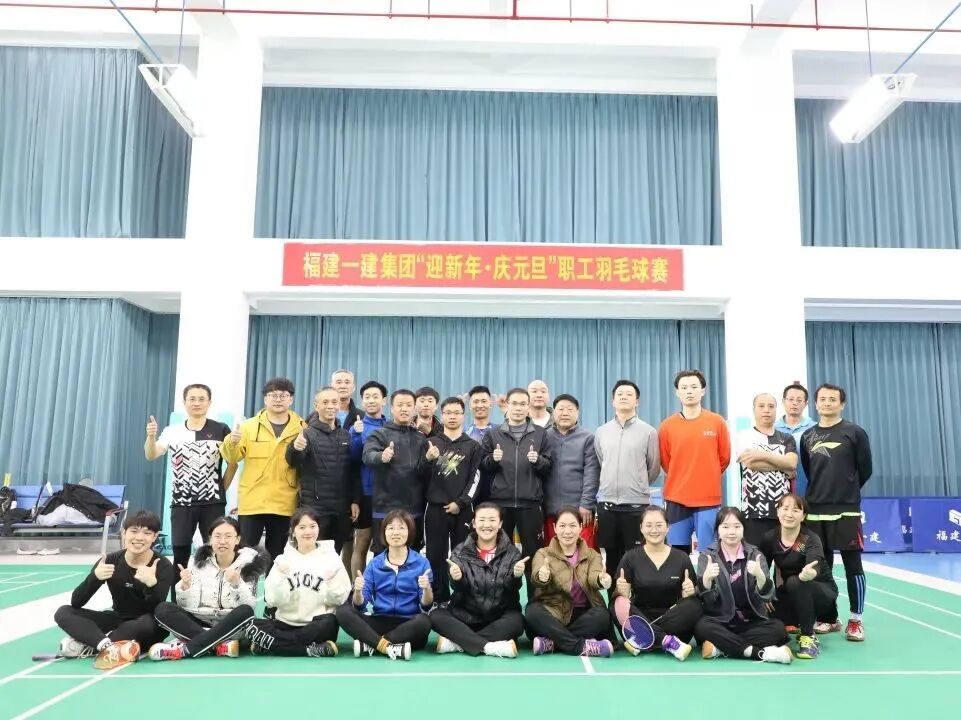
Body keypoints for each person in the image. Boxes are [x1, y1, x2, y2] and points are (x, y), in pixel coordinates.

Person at [54, 510, 173, 669]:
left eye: (147, 533)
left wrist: (151, 585)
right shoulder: (110, 561)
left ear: (154, 537)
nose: (139, 537)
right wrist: (94, 578)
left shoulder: (162, 565)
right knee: (63, 612)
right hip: (116, 619)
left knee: (143, 625)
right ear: (124, 533)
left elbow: (158, 608)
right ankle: (107, 646)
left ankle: (90, 643)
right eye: (134, 531)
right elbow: (76, 601)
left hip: (148, 624)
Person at [800, 383, 872, 642]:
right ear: (816, 404)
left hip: (846, 511)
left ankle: (856, 619)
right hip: (816, 510)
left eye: (833, 399)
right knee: (822, 567)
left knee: (854, 566)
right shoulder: (807, 436)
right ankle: (829, 618)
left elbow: (865, 469)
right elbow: (809, 470)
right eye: (822, 399)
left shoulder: (855, 432)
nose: (827, 403)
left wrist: (846, 491)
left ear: (842, 404)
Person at [144, 383, 237, 573]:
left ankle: (214, 588)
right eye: (192, 399)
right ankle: (178, 591)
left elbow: (233, 463)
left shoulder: (221, 429)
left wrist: (221, 489)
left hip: (213, 503)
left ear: (209, 402)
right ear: (184, 402)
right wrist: (151, 437)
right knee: (180, 551)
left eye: (202, 399)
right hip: (182, 502)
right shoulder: (172, 431)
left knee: (214, 550)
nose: (197, 403)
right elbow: (151, 455)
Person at [149, 516, 269, 660]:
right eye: (217, 536)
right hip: (201, 621)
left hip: (231, 626)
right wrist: (186, 587)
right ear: (210, 539)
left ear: (237, 539)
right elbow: (186, 605)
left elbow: (250, 605)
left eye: (228, 536)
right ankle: (219, 646)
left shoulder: (250, 564)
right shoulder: (200, 562)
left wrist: (237, 584)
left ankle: (185, 650)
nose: (222, 541)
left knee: (245, 611)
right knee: (163, 609)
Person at [244, 508, 351, 657]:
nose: (308, 531)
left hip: (316, 625)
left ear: (318, 529)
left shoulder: (332, 559)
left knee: (330, 622)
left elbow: (339, 600)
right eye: (302, 527)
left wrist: (330, 584)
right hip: (285, 623)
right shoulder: (282, 560)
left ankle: (272, 645)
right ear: (293, 531)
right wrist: (280, 581)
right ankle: (308, 650)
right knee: (252, 626)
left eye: (312, 526)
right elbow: (272, 601)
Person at [693, 507, 793, 664]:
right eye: (725, 527)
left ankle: (721, 647)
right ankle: (759, 653)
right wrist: (706, 580)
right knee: (702, 627)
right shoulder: (707, 556)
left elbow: (767, 597)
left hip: (751, 622)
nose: (731, 532)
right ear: (718, 529)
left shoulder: (756, 555)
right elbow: (708, 600)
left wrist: (760, 576)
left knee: (778, 629)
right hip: (720, 622)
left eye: (737, 526)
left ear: (743, 529)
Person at [480, 388, 553, 598]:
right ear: (507, 405)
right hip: (501, 505)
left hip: (530, 504)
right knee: (501, 554)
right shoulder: (494, 434)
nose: (519, 408)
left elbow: (549, 465)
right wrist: (492, 460)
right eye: (515, 403)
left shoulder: (540, 434)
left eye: (523, 404)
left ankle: (535, 601)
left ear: (528, 407)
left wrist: (538, 461)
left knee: (533, 554)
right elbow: (483, 465)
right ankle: (504, 601)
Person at [221, 377, 304, 560]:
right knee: (245, 554)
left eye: (283, 395)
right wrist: (232, 442)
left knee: (278, 555)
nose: (278, 399)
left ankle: (271, 581)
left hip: (284, 501)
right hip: (253, 501)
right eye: (273, 395)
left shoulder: (302, 428)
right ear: (265, 399)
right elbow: (233, 457)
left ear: (291, 399)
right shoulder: (248, 427)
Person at [429, 502, 525, 658]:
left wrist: (516, 576)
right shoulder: (460, 551)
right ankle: (490, 646)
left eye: (492, 520)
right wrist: (457, 579)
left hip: (499, 617)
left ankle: (459, 643)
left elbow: (511, 590)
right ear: (474, 523)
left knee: (517, 621)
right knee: (436, 616)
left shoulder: (512, 553)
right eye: (482, 520)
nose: (486, 525)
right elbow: (459, 590)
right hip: (465, 617)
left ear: (500, 523)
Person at [335, 510, 433, 660]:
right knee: (343, 611)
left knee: (424, 622)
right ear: (384, 532)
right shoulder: (375, 564)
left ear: (409, 532)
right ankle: (389, 647)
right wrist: (358, 592)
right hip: (379, 620)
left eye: (401, 528)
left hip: (408, 623)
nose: (396, 532)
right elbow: (360, 605)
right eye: (391, 528)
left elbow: (426, 606)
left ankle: (371, 644)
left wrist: (426, 589)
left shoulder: (422, 563)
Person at [611, 506, 701, 661]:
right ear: (641, 528)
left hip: (673, 620)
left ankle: (641, 639)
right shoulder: (630, 557)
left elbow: (690, 596)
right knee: (618, 603)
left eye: (659, 525)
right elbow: (619, 596)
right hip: (639, 617)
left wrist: (689, 593)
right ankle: (667, 642)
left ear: (668, 527)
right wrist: (622, 592)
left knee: (694, 605)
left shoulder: (681, 558)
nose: (654, 530)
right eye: (649, 525)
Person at [525, 507, 614, 657]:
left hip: (583, 614)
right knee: (532, 612)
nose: (567, 531)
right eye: (562, 526)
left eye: (572, 526)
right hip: (553, 611)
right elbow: (536, 576)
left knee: (602, 615)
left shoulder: (592, 555)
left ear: (580, 527)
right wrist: (542, 576)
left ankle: (552, 643)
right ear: (555, 528)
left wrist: (601, 580)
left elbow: (594, 576)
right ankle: (582, 646)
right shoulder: (543, 553)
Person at [660, 370, 731, 555]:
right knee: (677, 553)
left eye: (693, 387)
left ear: (703, 390)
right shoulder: (667, 426)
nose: (689, 391)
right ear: (677, 392)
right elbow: (666, 462)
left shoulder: (717, 422)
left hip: (708, 499)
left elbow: (724, 458)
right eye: (684, 388)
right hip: (676, 498)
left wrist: (708, 474)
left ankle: (707, 577)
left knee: (709, 553)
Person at [760, 494, 838, 660]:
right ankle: (794, 622)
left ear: (803, 516)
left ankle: (808, 636)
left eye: (795, 510)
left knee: (796, 582)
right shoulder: (770, 538)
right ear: (778, 511)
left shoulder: (811, 539)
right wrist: (764, 593)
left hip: (821, 593)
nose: (789, 514)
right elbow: (762, 568)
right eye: (785, 508)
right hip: (790, 593)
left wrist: (810, 573)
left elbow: (814, 567)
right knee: (764, 613)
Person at [594, 379, 660, 577]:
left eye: (629, 394)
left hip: (636, 506)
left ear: (637, 401)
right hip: (607, 505)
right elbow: (601, 462)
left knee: (636, 557)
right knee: (611, 558)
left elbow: (653, 467)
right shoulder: (601, 432)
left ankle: (637, 596)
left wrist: (638, 485)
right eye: (620, 394)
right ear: (613, 401)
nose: (624, 397)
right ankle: (614, 595)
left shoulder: (649, 432)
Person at [423, 396, 482, 603]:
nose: (452, 417)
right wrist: (428, 460)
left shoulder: (473, 446)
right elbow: (419, 475)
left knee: (463, 555)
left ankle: (462, 599)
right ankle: (438, 599)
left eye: (457, 413)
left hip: (462, 510)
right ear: (442, 415)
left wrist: (462, 503)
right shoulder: (431, 443)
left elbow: (475, 479)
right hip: (435, 508)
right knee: (435, 555)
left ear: (463, 416)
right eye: (448, 413)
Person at [286, 387, 356, 554]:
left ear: (339, 405)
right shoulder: (307, 434)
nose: (330, 406)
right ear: (316, 405)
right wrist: (295, 448)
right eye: (325, 402)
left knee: (334, 554)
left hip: (341, 508)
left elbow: (352, 471)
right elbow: (292, 461)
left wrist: (355, 500)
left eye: (334, 402)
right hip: (315, 508)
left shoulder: (346, 435)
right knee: (313, 554)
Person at [362, 389, 431, 553]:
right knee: (383, 555)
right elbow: (367, 456)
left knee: (412, 555)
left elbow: (424, 471)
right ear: (392, 408)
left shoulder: (420, 438)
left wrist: (429, 459)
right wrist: (381, 456)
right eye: (400, 405)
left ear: (414, 409)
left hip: (414, 509)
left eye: (408, 405)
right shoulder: (379, 434)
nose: (404, 409)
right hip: (385, 508)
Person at [736, 393, 798, 546]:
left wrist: (761, 454)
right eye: (761, 406)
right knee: (756, 556)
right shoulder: (744, 435)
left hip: (783, 510)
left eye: (771, 406)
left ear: (776, 409)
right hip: (753, 508)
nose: (766, 410)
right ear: (754, 410)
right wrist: (782, 465)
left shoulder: (786, 438)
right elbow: (751, 464)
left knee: (782, 556)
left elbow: (791, 463)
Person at [544, 394, 599, 548]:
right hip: (551, 511)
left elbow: (592, 473)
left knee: (583, 554)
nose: (565, 413)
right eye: (561, 409)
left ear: (577, 413)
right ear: (553, 412)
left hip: (580, 511)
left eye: (570, 409)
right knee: (553, 554)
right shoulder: (544, 437)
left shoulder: (588, 438)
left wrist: (587, 504)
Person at [348, 380, 388, 576]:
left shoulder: (392, 425)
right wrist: (356, 436)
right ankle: (357, 588)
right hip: (366, 493)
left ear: (384, 400)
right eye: (367, 397)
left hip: (388, 493)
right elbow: (353, 460)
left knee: (385, 543)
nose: (371, 400)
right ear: (362, 401)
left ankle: (380, 586)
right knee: (362, 542)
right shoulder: (357, 427)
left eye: (375, 396)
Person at [330, 369, 362, 568]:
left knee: (348, 541)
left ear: (353, 387)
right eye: (339, 382)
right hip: (321, 493)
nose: (342, 385)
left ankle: (347, 584)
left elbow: (359, 464)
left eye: (347, 382)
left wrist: (355, 499)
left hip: (348, 490)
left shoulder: (361, 417)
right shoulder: (314, 417)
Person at [774, 383, 817, 496]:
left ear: (806, 404)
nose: (794, 403)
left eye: (799, 400)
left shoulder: (815, 428)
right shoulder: (773, 428)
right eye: (791, 399)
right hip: (778, 488)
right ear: (783, 401)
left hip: (809, 488)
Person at [466, 385, 495, 502]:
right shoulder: (463, 432)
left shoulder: (500, 431)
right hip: (469, 491)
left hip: (495, 490)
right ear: (470, 405)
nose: (480, 405)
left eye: (484, 401)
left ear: (490, 403)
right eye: (476, 401)